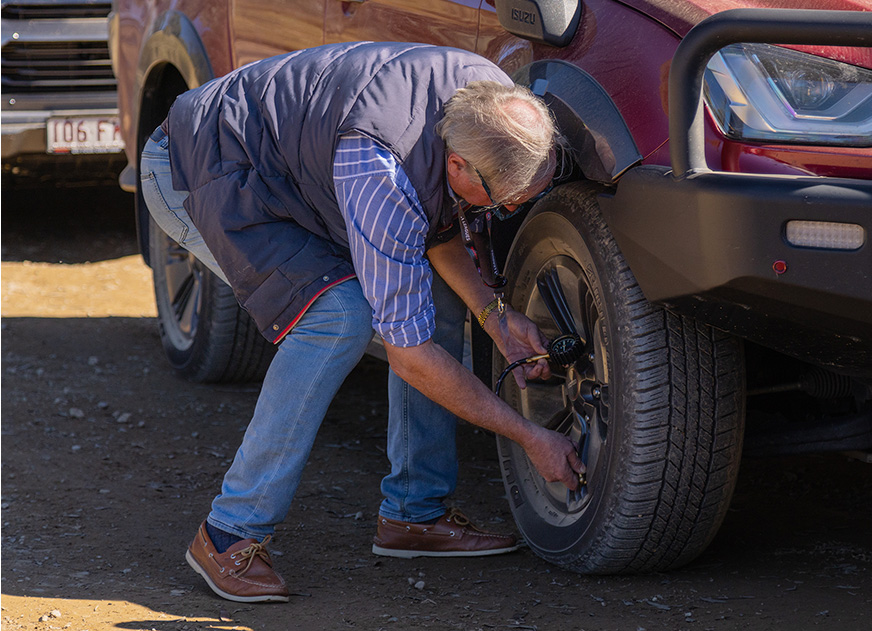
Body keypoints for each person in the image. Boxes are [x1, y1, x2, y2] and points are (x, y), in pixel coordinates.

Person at [139, 42, 586, 604]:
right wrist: (529, 435)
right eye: (502, 202)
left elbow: (436, 224)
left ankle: (414, 514)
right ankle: (229, 533)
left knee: (434, 297)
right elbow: (410, 356)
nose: (504, 212)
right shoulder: (379, 171)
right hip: (201, 170)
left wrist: (495, 317)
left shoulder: (490, 97)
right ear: (457, 165)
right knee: (337, 317)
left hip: (287, 168)